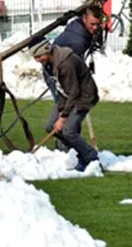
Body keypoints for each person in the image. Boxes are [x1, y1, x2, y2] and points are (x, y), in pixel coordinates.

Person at [30, 39, 100, 172]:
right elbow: (59, 88)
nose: (37, 60)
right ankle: (80, 152)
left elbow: (74, 93)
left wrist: (63, 118)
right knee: (50, 126)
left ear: (47, 50)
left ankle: (91, 158)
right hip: (67, 97)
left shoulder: (65, 63)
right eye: (35, 57)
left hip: (83, 97)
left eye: (39, 56)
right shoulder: (48, 64)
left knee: (69, 131)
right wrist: (61, 110)